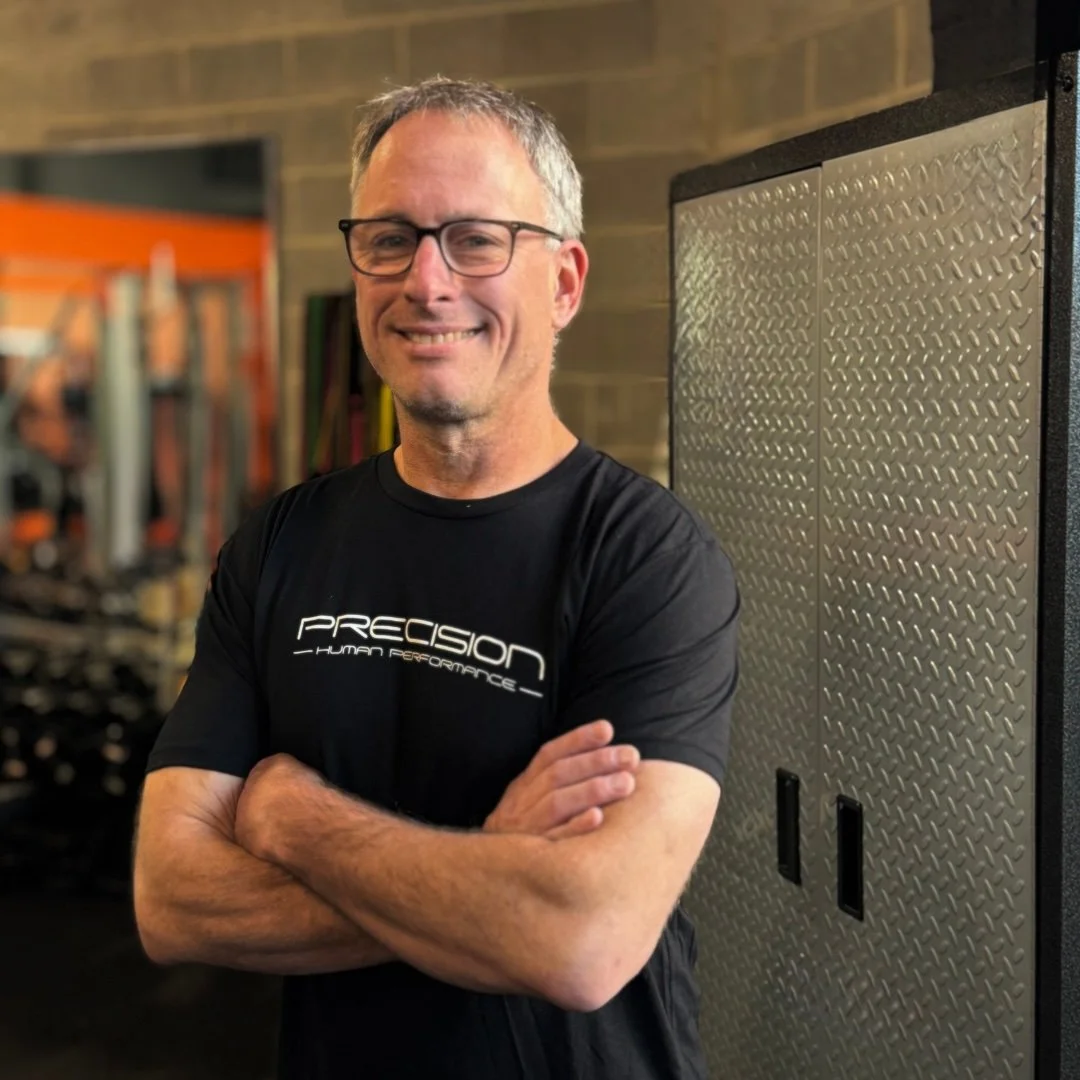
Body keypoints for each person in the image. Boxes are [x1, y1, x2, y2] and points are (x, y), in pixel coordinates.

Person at [132, 76, 739, 1079]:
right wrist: (492, 859)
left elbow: (580, 939)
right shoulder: (279, 545)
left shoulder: (647, 559)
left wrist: (294, 817)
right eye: (390, 238)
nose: (426, 280)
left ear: (565, 283)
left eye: (475, 239)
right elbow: (174, 899)